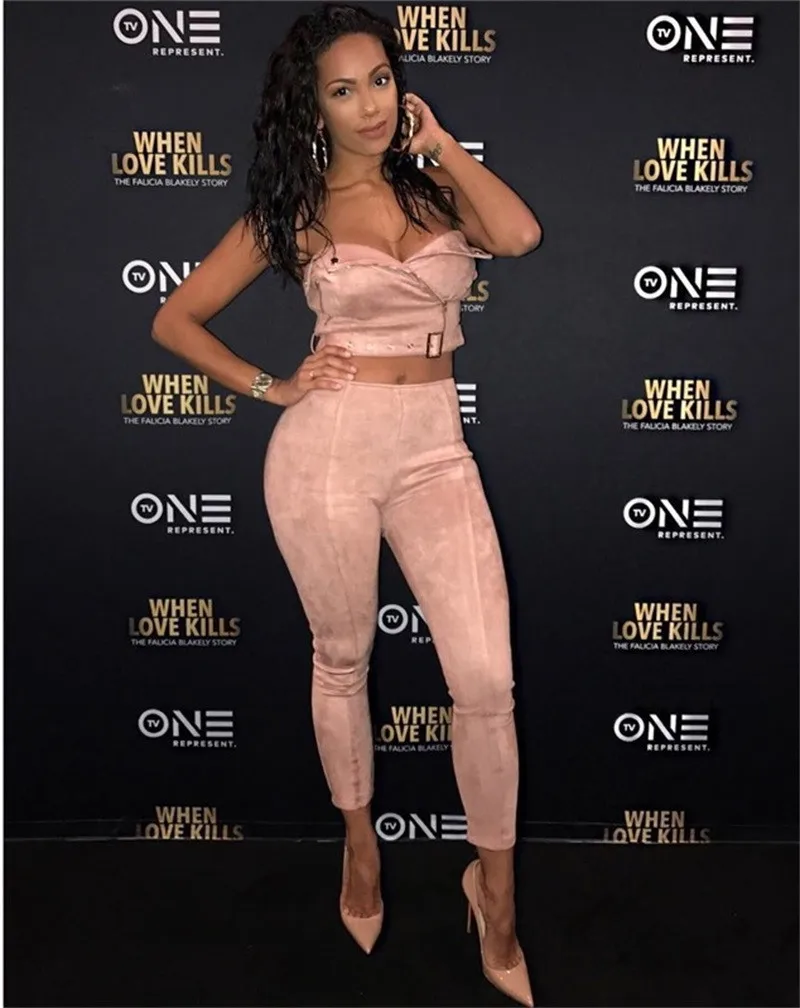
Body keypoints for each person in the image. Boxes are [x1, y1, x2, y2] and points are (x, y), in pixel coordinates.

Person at [152, 3, 541, 1005]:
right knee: (343, 658)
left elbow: (518, 234)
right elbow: (176, 318)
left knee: (485, 681)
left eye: (380, 80)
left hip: (435, 449)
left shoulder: (432, 187)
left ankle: (494, 896)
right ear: (312, 107)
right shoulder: (292, 210)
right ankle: (360, 844)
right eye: (342, 89)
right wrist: (271, 385)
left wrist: (441, 146)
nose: (368, 104)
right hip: (327, 453)